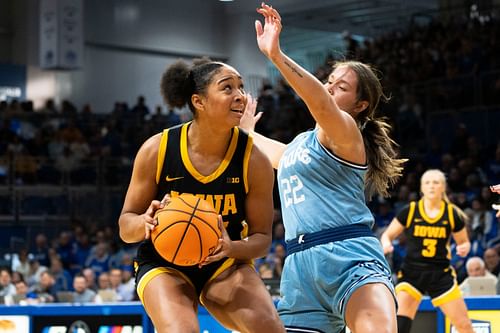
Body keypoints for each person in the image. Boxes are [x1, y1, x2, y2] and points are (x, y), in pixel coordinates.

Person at [239, 4, 406, 332]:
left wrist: (276, 56)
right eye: (330, 80)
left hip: (351, 258)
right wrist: (245, 133)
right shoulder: (299, 146)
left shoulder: (347, 132)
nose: (330, 87)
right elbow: (269, 152)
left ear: (360, 106)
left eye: (341, 86)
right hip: (299, 267)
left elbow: (319, 102)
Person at [118, 58, 285, 333]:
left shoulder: (254, 160)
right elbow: (126, 226)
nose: (240, 96)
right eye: (228, 88)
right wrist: (143, 223)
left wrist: (232, 248)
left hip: (225, 264)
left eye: (241, 88)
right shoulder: (157, 150)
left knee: (269, 328)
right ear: (199, 101)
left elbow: (262, 239)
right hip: (164, 262)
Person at [381, 169, 474, 333]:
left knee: (464, 325)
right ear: (421, 188)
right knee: (399, 324)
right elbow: (387, 235)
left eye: (436, 182)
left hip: (441, 274)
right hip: (411, 273)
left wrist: (464, 248)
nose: (431, 186)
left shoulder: (452, 214)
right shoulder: (410, 210)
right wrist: (386, 243)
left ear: (443, 187)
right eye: (427, 183)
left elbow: (464, 243)